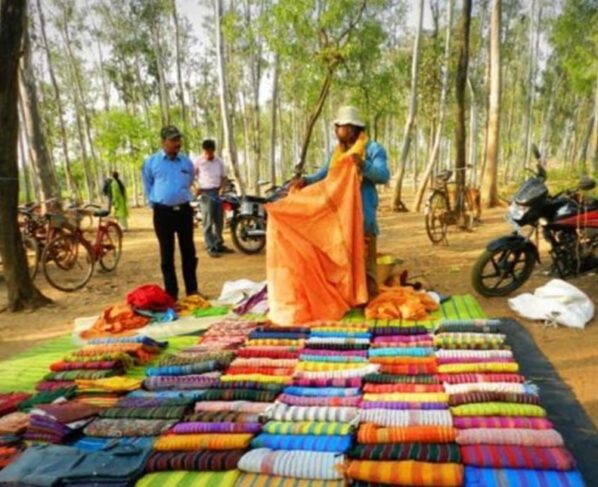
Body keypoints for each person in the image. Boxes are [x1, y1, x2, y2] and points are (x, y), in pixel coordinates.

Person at [290, 105, 390, 298]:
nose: (336, 131)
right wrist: (306, 181)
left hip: (363, 220)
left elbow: (383, 175)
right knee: (342, 271)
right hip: (339, 222)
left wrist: (363, 165)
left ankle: (368, 310)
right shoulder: (338, 153)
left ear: (351, 128)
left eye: (339, 127)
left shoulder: (372, 149)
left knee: (366, 274)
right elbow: (325, 174)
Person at [142, 125, 199, 301]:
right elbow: (148, 184)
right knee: (167, 254)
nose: (177, 143)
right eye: (173, 140)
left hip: (183, 211)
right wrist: (156, 202)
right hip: (162, 213)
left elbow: (189, 180)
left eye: (178, 140)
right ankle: (171, 294)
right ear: (163, 142)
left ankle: (192, 291)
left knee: (188, 252)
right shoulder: (151, 162)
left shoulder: (186, 162)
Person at [194, 139, 233, 258]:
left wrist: (222, 188)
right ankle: (210, 246)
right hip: (206, 193)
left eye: (210, 152)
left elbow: (224, 177)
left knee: (219, 220)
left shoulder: (219, 162)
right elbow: (191, 176)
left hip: (217, 193)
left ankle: (218, 243)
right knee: (208, 221)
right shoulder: (198, 161)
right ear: (203, 150)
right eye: (206, 152)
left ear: (213, 150)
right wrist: (196, 187)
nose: (208, 155)